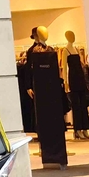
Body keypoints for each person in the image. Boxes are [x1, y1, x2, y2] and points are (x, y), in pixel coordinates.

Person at [22, 25, 69, 168]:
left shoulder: (50, 50)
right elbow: (28, 70)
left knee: (52, 119)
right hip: (40, 90)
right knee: (42, 118)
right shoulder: (32, 51)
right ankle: (45, 147)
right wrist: (28, 85)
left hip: (51, 90)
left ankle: (53, 150)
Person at [64, 29, 89, 136]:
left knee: (83, 104)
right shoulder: (65, 50)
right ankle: (78, 130)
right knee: (76, 105)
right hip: (73, 79)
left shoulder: (76, 49)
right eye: (70, 36)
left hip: (80, 78)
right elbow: (64, 66)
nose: (73, 38)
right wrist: (65, 82)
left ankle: (85, 128)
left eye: (73, 35)